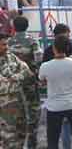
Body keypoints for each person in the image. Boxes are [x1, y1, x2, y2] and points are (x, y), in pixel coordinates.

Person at [8, 16, 40, 149]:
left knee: (15, 111)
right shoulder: (32, 41)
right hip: (30, 82)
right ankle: (32, 141)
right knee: (33, 110)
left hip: (13, 82)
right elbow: (39, 59)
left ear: (14, 27)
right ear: (27, 26)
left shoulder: (8, 42)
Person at [0, 32, 33, 149]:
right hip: (4, 111)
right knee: (6, 140)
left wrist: (14, 78)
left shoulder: (10, 56)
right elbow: (3, 86)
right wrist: (17, 79)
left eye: (6, 44)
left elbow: (27, 72)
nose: (6, 47)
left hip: (18, 106)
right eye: (3, 45)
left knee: (20, 136)